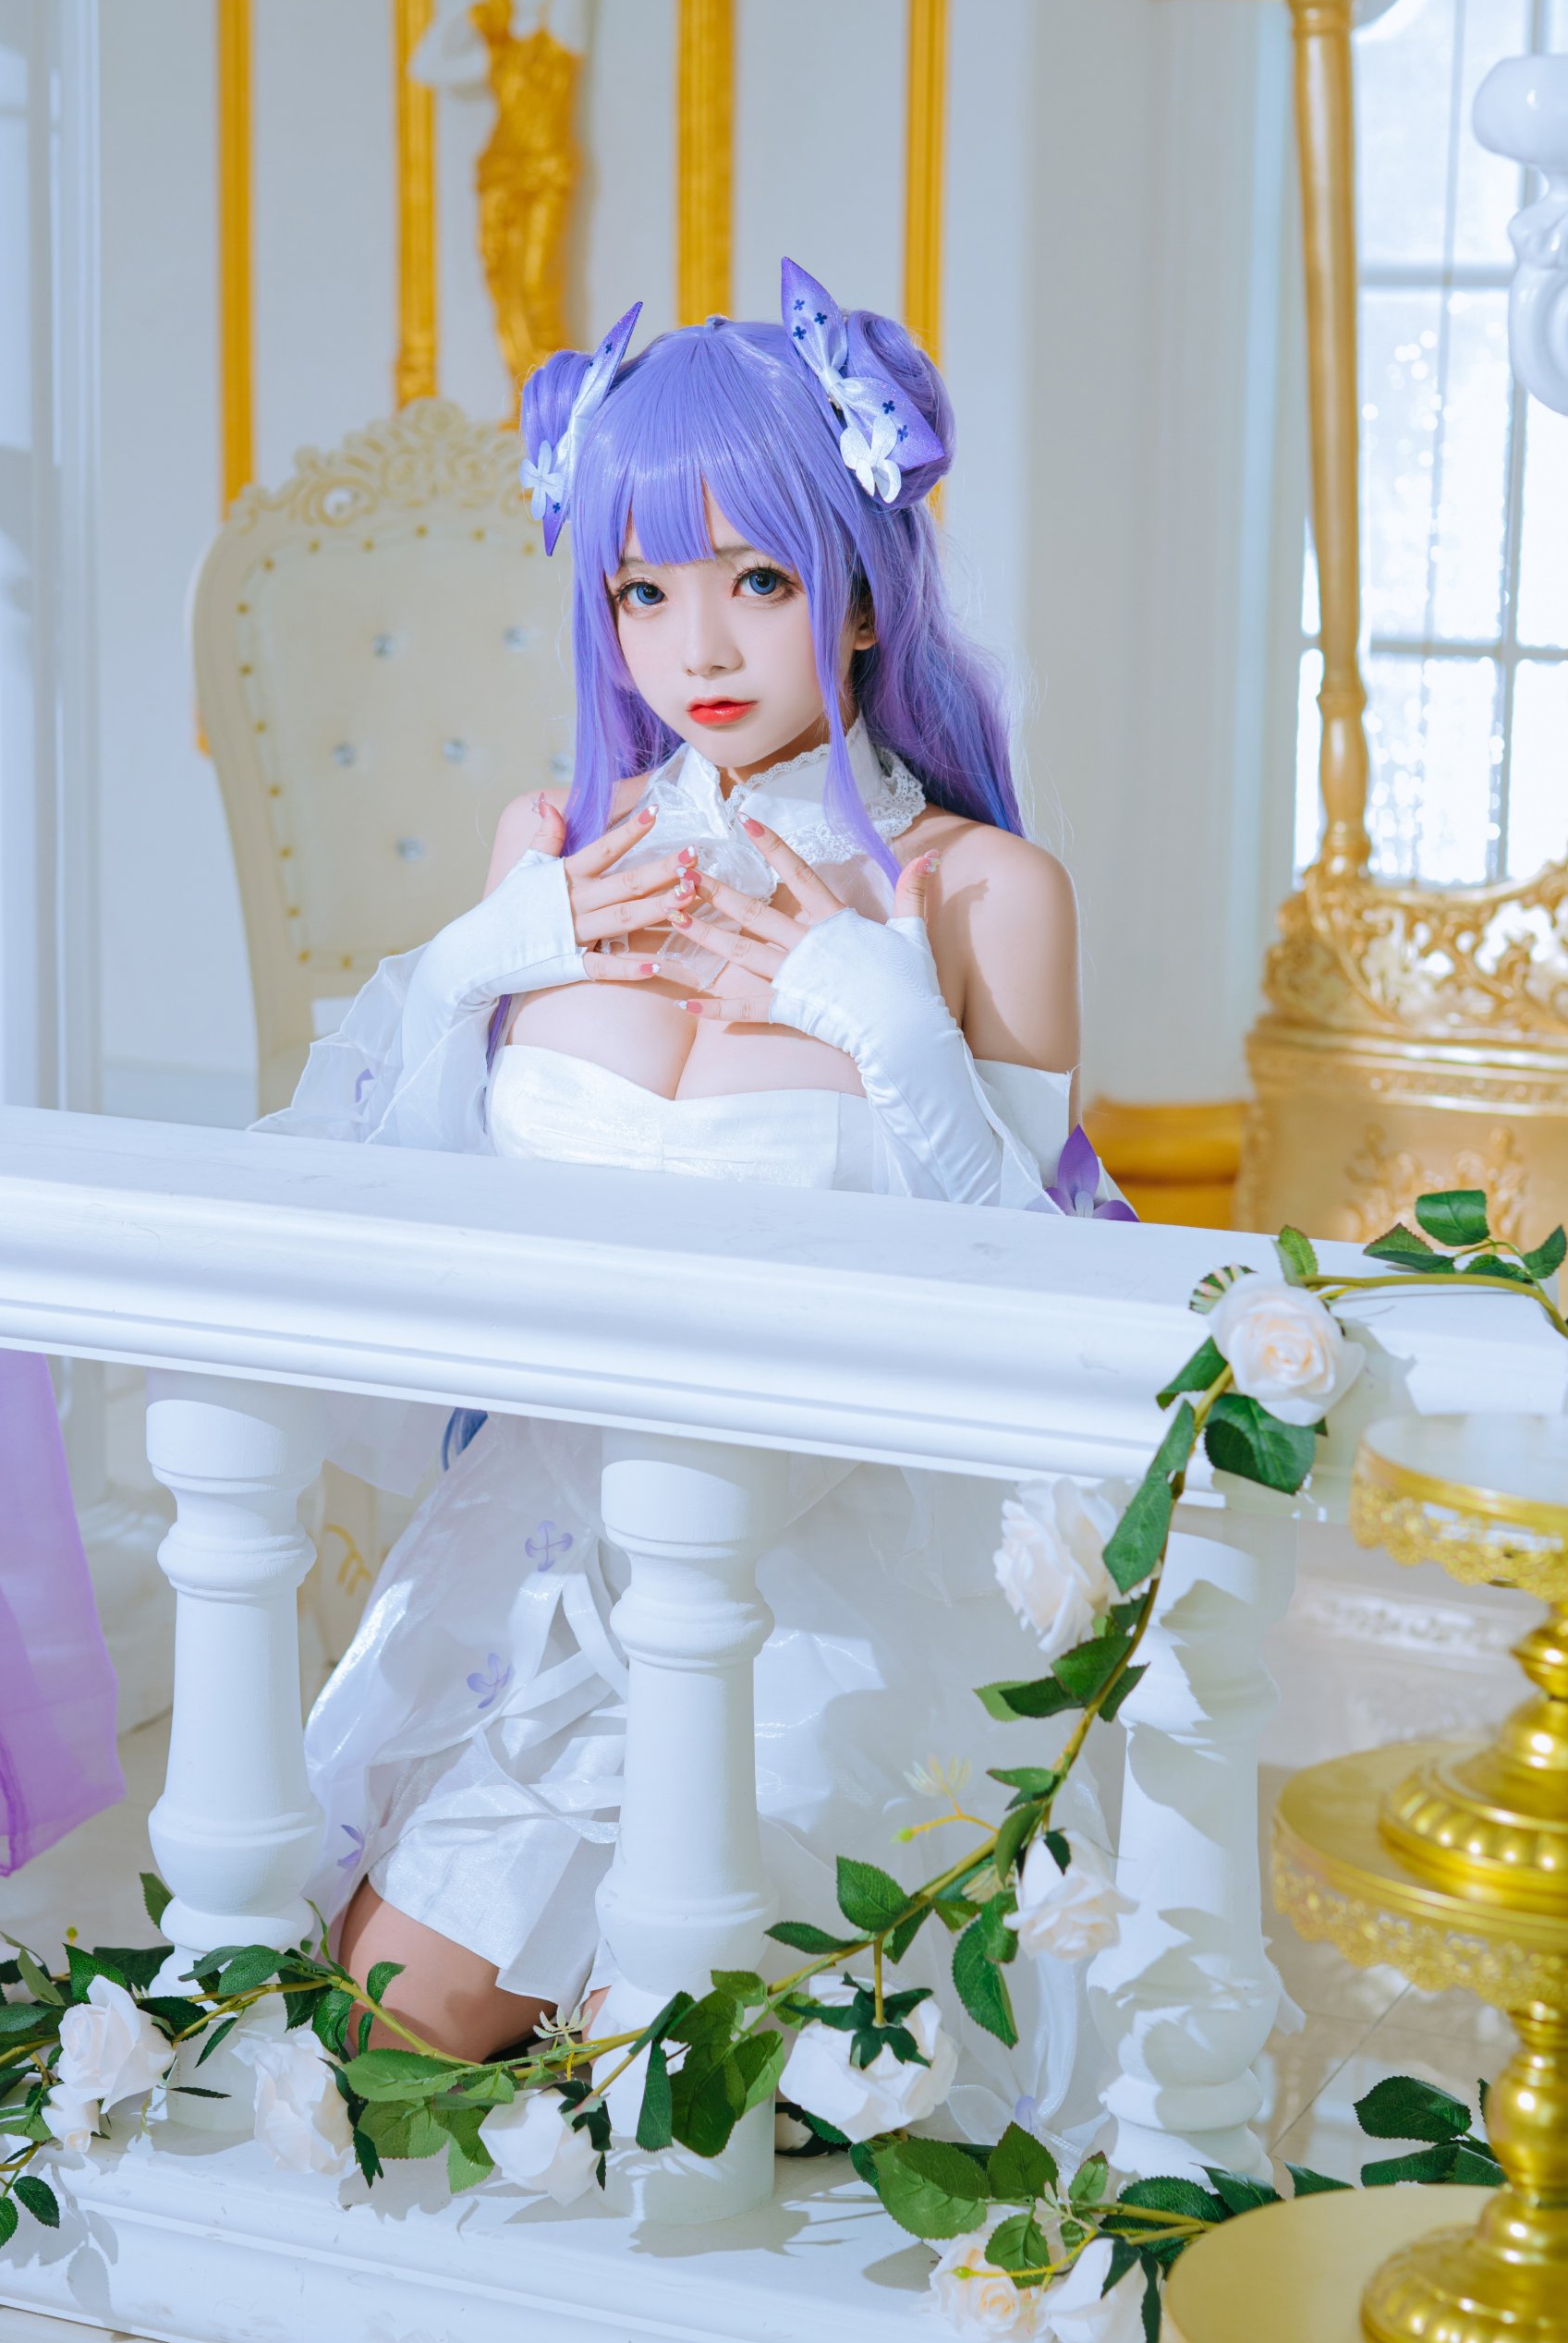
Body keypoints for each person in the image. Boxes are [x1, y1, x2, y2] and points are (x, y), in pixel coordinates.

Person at [264, 263, 1125, 2137]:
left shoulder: (985, 894)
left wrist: (888, 1028)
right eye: (643, 589)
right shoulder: (551, 851)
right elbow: (377, 1221)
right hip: (544, 1582)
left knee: (701, 2110)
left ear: (863, 586)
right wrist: (472, 964)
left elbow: (1052, 1318)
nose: (697, 644)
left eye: (758, 578)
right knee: (378, 2044)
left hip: (830, 1603)